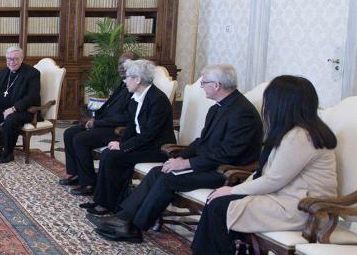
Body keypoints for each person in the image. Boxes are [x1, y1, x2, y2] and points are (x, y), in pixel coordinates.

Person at [90, 64, 263, 243]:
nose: (202, 86)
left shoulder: (243, 113)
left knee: (167, 179)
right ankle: (123, 218)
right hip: (208, 163)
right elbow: (201, 142)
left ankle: (135, 227)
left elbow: (227, 154)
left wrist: (187, 164)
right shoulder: (218, 107)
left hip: (225, 172)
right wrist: (180, 157)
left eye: (204, 82)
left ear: (217, 85)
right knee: (158, 172)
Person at [191, 75, 338, 255]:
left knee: (219, 207)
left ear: (282, 104)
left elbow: (273, 180)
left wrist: (232, 190)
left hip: (304, 208)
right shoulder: (294, 131)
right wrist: (234, 189)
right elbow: (263, 172)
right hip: (284, 198)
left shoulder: (300, 137)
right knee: (218, 202)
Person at [81, 59, 176, 217]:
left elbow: (149, 134)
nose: (124, 81)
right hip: (142, 143)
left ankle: (111, 204)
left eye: (128, 77)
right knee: (109, 153)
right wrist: (119, 142)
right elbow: (132, 127)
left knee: (113, 157)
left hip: (157, 148)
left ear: (138, 79)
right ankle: (102, 200)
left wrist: (124, 146)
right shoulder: (136, 98)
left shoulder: (157, 100)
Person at [60, 52, 139, 196]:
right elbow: (108, 106)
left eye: (125, 64)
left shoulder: (136, 87)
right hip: (104, 123)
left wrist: (98, 122)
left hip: (116, 129)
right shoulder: (123, 83)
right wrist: (94, 119)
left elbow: (127, 117)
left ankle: (89, 182)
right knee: (69, 132)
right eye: (119, 64)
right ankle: (75, 174)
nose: (121, 68)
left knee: (80, 139)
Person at [0, 46, 41, 164]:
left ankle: (8, 153)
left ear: (21, 59)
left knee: (11, 120)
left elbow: (32, 97)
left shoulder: (32, 73)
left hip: (24, 111)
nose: (11, 62)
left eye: (15, 59)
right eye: (9, 59)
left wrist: (14, 108)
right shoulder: (4, 72)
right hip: (3, 109)